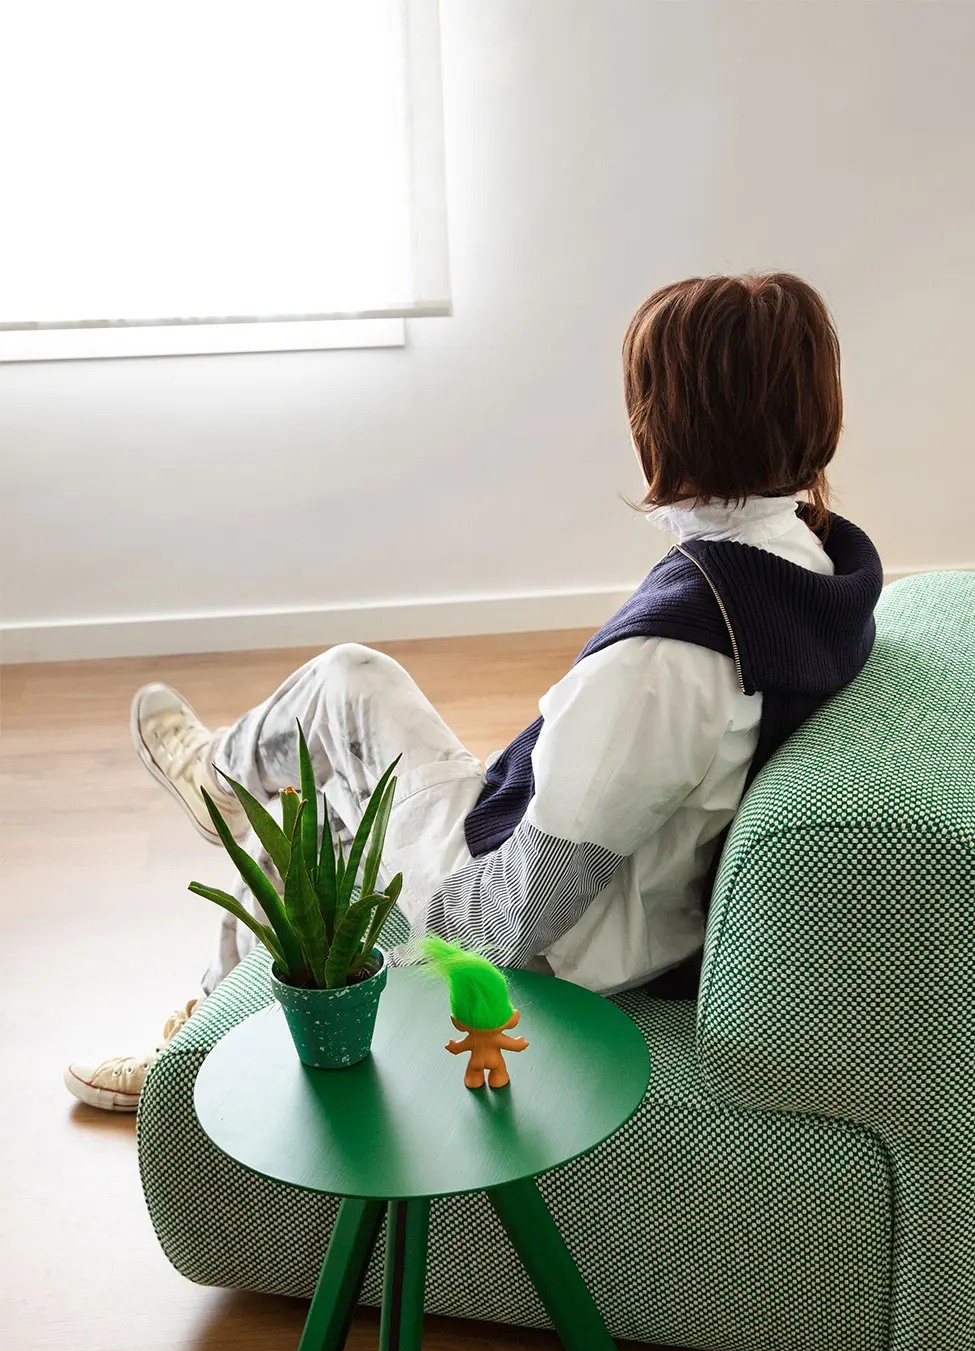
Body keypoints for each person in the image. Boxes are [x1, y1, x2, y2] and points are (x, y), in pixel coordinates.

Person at [64, 272, 883, 1112]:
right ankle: (212, 951)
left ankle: (198, 1023)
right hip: (593, 876)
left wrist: (387, 897)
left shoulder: (664, 663)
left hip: (534, 934)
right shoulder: (811, 567)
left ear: (668, 423)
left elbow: (515, 918)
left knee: (330, 756)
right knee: (333, 741)